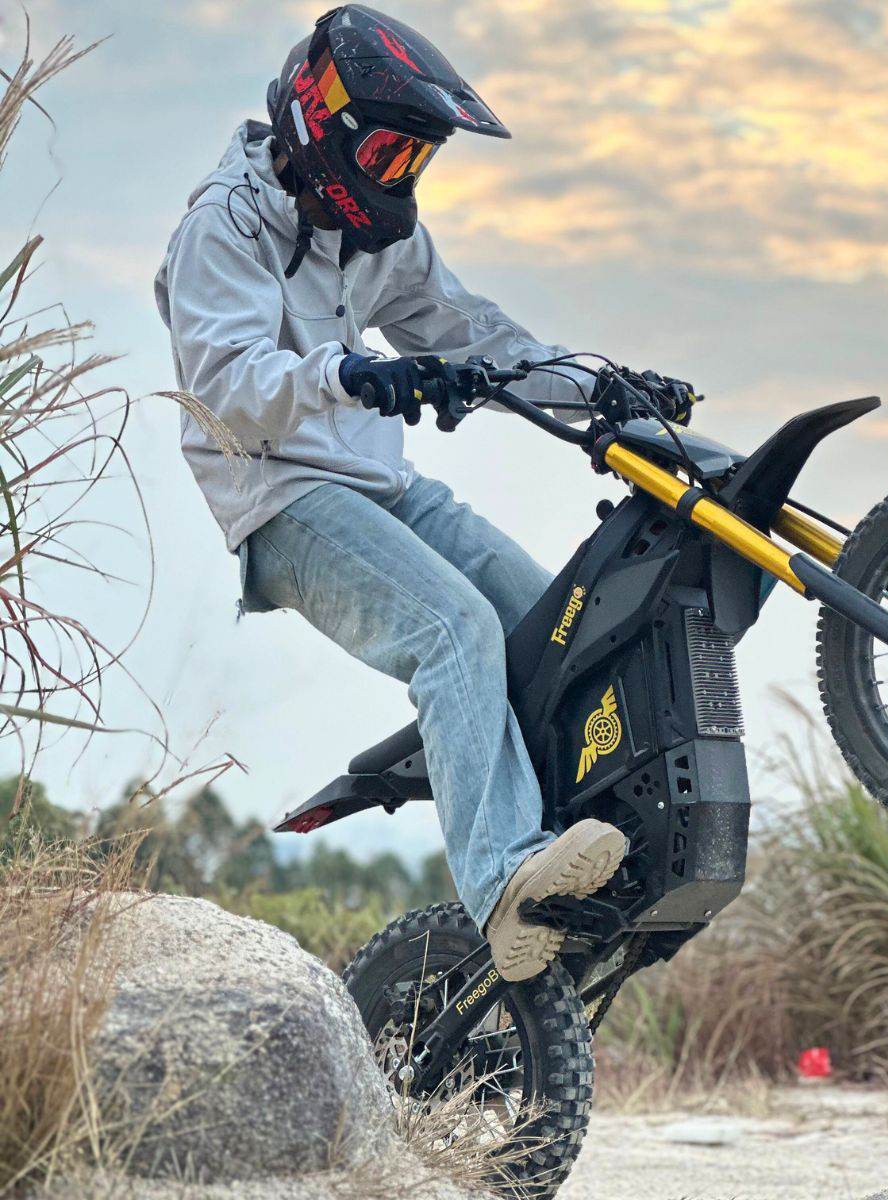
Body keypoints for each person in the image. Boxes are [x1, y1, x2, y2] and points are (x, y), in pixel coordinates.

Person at [153, 4, 627, 983]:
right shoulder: (223, 225)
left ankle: (577, 846)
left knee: (562, 619)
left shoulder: (377, 240)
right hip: (282, 502)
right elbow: (225, 386)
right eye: (387, 152)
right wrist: (348, 373)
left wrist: (602, 387)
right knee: (454, 630)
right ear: (321, 118)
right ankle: (503, 877)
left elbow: (474, 337)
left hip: (383, 484)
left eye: (416, 161)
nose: (399, 178)